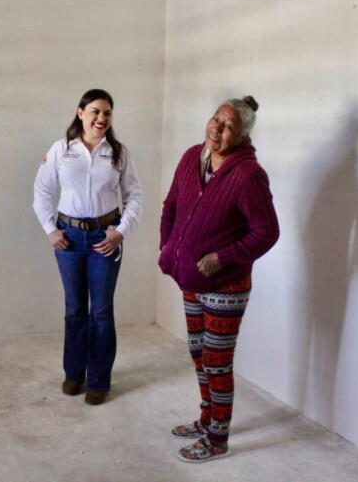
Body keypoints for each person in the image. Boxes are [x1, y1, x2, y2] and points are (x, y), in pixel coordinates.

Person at [159, 96, 279, 462]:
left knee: (216, 360)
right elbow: (171, 205)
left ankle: (218, 438)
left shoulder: (248, 174)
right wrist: (168, 247)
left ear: (241, 136)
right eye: (216, 119)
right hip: (191, 282)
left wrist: (221, 258)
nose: (217, 129)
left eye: (229, 126)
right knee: (198, 353)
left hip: (226, 287)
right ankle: (207, 418)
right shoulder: (191, 157)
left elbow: (266, 232)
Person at [33, 89, 143, 406]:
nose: (101, 118)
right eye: (95, 111)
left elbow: (134, 196)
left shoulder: (118, 152)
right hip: (68, 238)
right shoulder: (61, 149)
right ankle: (74, 374)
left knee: (102, 312)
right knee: (75, 309)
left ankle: (98, 381)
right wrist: (51, 229)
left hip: (104, 239)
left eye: (107, 113)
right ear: (80, 113)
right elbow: (41, 191)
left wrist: (121, 231)